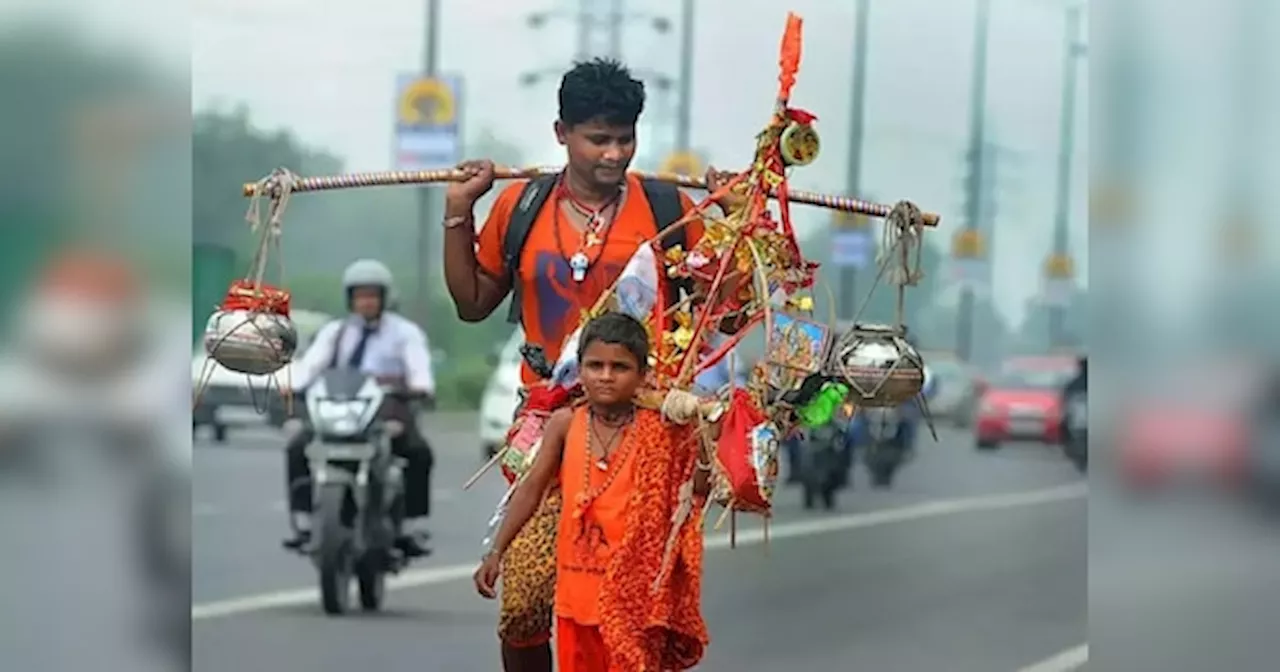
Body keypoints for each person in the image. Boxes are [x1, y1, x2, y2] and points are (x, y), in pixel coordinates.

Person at [441, 57, 740, 672]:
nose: (613, 153)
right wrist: (457, 211)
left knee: (627, 607)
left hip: (644, 431)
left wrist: (733, 219)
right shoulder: (521, 207)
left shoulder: (666, 210)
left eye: (625, 138)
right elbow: (472, 304)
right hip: (545, 426)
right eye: (597, 138)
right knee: (524, 603)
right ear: (561, 134)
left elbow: (728, 312)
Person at [473, 312, 711, 671]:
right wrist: (496, 551)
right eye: (595, 365)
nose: (605, 376)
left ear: (642, 375)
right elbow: (532, 489)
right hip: (575, 596)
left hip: (632, 600)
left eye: (620, 367)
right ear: (579, 371)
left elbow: (697, 489)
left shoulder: (661, 429)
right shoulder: (565, 423)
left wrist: (704, 432)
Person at [280, 259, 437, 558]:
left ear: (384, 298)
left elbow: (419, 369)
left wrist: (419, 387)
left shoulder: (404, 334)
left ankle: (411, 525)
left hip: (387, 408)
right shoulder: (336, 332)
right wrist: (293, 386)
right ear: (350, 299)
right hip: (341, 408)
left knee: (418, 452)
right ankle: (302, 520)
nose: (366, 302)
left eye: (372, 295)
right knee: (298, 444)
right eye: (360, 296)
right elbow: (312, 365)